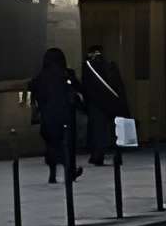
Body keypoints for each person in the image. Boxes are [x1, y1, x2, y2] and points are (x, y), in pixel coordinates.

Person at [31, 46, 83, 186]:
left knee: (51, 145)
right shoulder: (66, 74)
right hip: (66, 116)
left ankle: (52, 174)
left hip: (48, 117)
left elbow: (33, 92)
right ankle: (69, 171)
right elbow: (79, 89)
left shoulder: (40, 78)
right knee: (68, 145)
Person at [79, 46, 132, 166]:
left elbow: (86, 87)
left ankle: (98, 156)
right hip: (114, 103)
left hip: (97, 105)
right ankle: (117, 154)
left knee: (98, 131)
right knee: (114, 131)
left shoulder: (88, 67)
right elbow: (119, 86)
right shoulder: (111, 65)